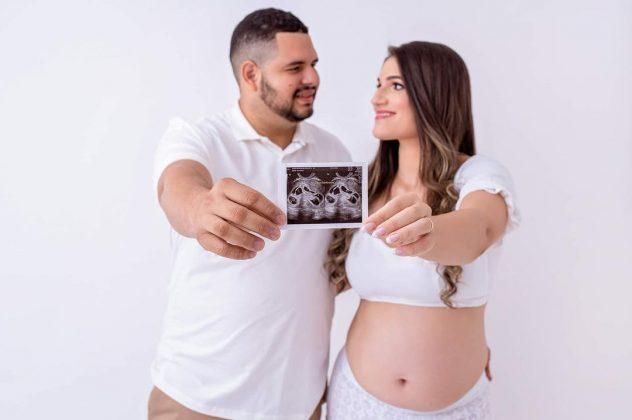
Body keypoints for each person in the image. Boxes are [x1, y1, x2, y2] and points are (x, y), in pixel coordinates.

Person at [146, 8, 351, 420]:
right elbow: (177, 187)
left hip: (297, 404)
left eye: (313, 64)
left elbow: (341, 265)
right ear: (251, 74)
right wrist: (199, 207)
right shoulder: (201, 137)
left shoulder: (330, 153)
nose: (312, 77)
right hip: (197, 400)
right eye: (295, 67)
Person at [325, 41, 520, 418]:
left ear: (435, 95)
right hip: (355, 399)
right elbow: (284, 239)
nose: (376, 98)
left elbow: (477, 230)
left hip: (452, 409)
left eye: (395, 85)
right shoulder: (358, 185)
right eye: (378, 84)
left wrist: (425, 234)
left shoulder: (479, 175)